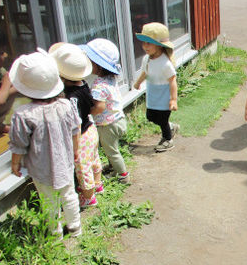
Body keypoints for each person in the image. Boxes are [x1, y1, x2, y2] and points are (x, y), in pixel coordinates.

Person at [8, 49, 82, 238]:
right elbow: (75, 130)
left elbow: (19, 144)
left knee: (49, 200)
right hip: (65, 162)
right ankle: (75, 227)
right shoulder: (65, 105)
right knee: (69, 195)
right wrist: (76, 150)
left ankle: (55, 232)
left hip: (40, 168)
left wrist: (15, 163)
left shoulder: (23, 114)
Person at [49, 42, 103, 208]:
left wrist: (74, 146)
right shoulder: (83, 83)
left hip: (81, 136)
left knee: (82, 167)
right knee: (94, 159)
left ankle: (88, 196)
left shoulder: (71, 97)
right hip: (91, 129)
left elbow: (75, 123)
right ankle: (97, 184)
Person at [79, 38, 130, 183]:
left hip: (108, 125)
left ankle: (123, 175)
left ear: (98, 65)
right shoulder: (110, 78)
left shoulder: (98, 85)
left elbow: (100, 107)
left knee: (112, 151)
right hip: (118, 120)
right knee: (112, 148)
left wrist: (88, 112)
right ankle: (115, 168)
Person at [133, 22, 179, 152]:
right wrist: (138, 83)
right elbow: (145, 72)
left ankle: (168, 139)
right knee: (151, 116)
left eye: (149, 43)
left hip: (164, 96)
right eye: (144, 43)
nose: (145, 46)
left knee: (162, 119)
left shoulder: (165, 63)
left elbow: (172, 81)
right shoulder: (146, 59)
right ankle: (171, 127)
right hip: (152, 94)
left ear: (159, 45)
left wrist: (173, 99)